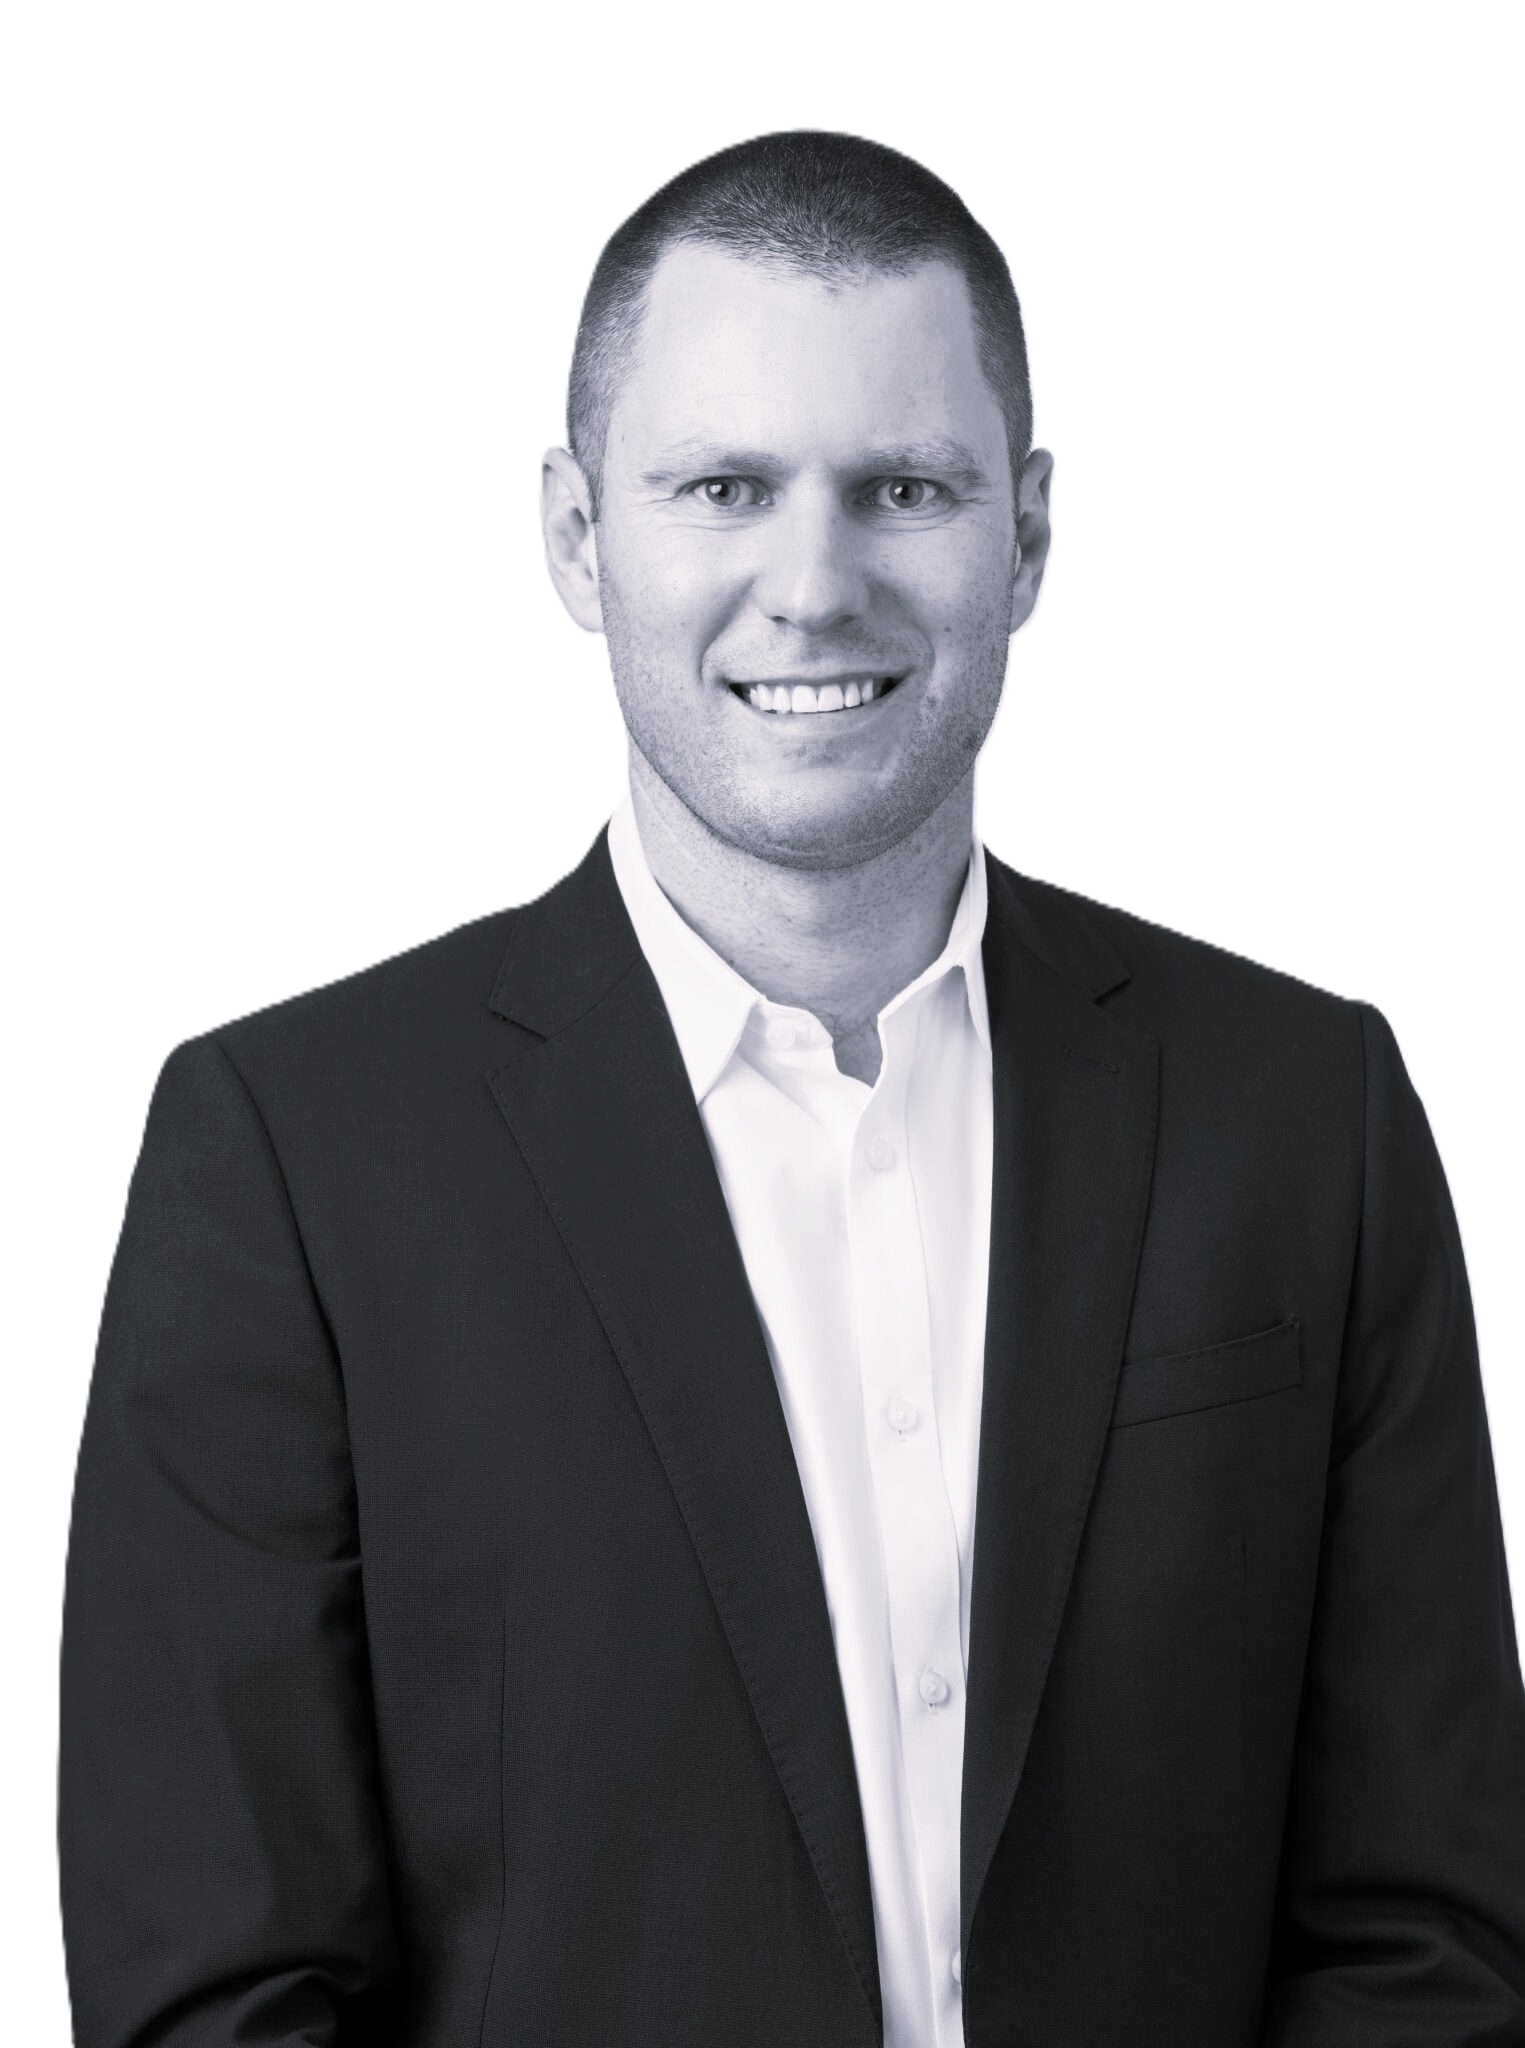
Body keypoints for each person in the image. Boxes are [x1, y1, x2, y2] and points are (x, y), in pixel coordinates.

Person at [58, 129, 1525, 2048]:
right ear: (581, 538)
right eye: (722, 487)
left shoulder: (1298, 1115)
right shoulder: (292, 1160)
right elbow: (215, 1992)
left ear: (1030, 534)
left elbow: (1430, 1937)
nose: (812, 584)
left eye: (901, 486)